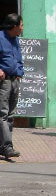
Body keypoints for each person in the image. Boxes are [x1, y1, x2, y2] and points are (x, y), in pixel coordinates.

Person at [0, 14, 24, 160]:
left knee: (10, 115)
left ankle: (3, 146)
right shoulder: (0, 38)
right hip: (4, 82)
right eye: (21, 25)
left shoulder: (16, 40)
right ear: (14, 26)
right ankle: (8, 146)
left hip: (15, 80)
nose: (22, 28)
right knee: (2, 114)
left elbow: (18, 58)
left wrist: (20, 72)